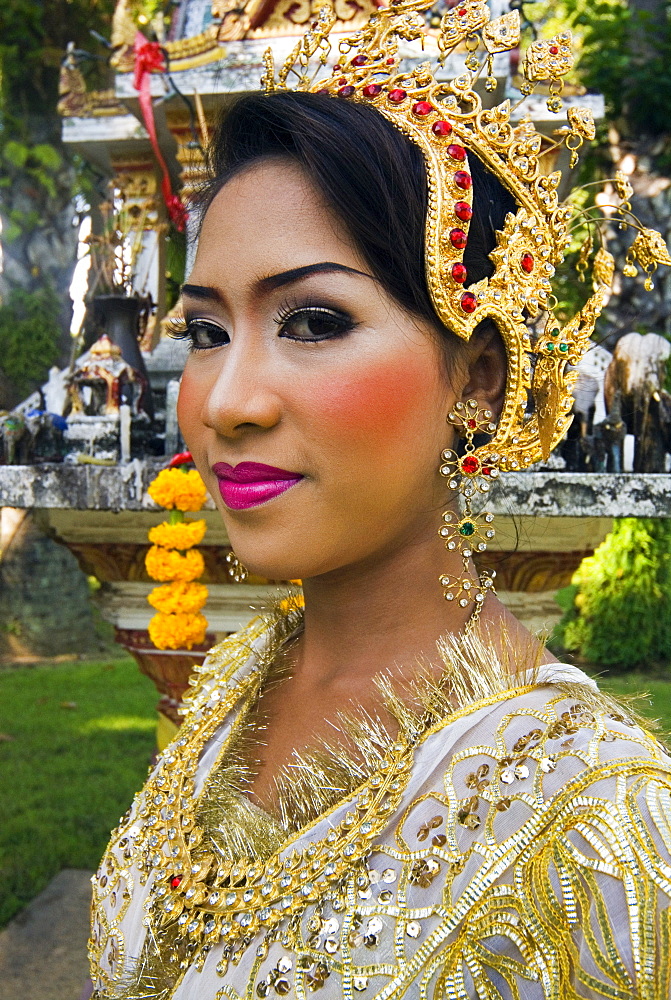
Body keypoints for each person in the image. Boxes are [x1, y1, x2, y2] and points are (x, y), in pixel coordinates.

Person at [88, 3, 671, 997]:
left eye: (312, 320)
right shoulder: (231, 687)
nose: (226, 402)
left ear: (476, 375)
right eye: (206, 331)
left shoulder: (598, 826)